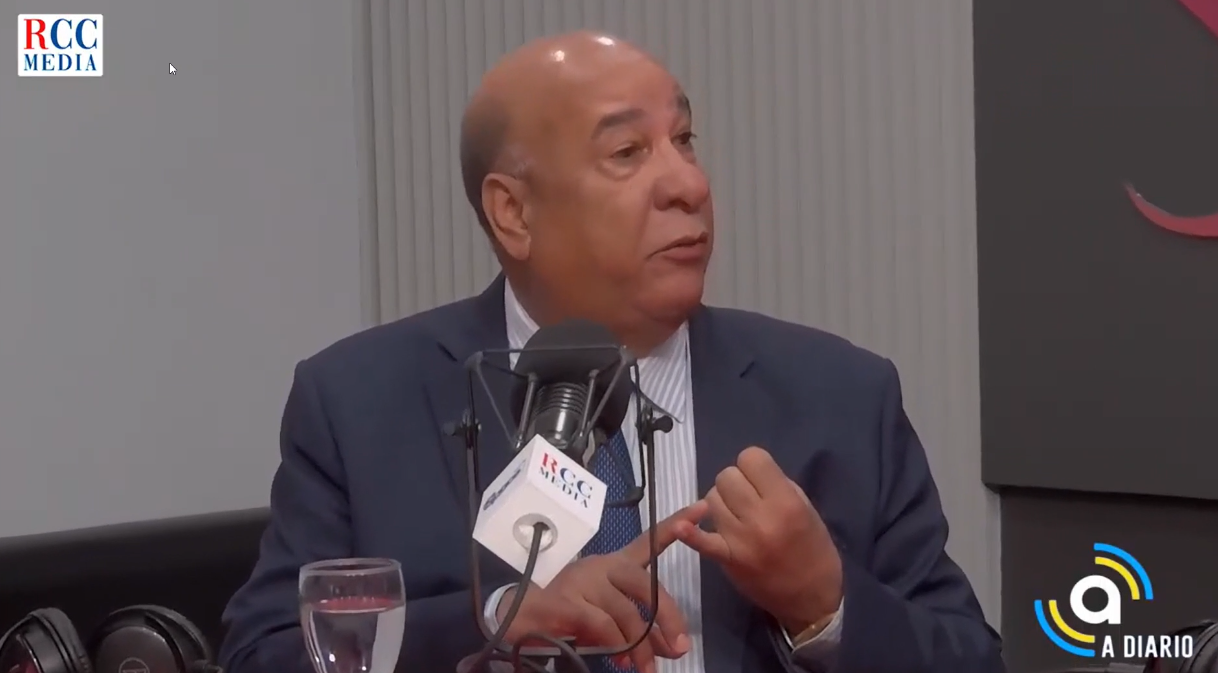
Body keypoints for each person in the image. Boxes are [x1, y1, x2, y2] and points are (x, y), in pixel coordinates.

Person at [218, 31, 1004, 673]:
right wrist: (499, 617)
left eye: (685, 141)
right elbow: (265, 654)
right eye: (628, 152)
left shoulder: (839, 395)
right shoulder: (360, 403)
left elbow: (972, 658)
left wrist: (823, 605)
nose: (688, 184)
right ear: (513, 212)